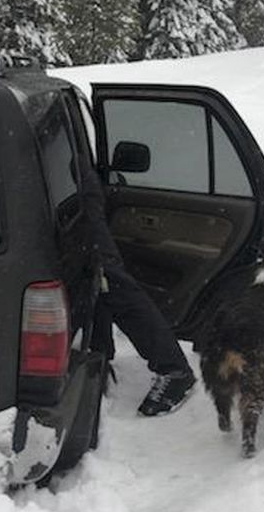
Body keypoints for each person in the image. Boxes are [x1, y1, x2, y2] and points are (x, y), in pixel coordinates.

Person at [78, 150, 196, 417]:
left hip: (75, 195)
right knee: (95, 281)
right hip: (68, 191)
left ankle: (174, 370)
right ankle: (100, 355)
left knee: (109, 280)